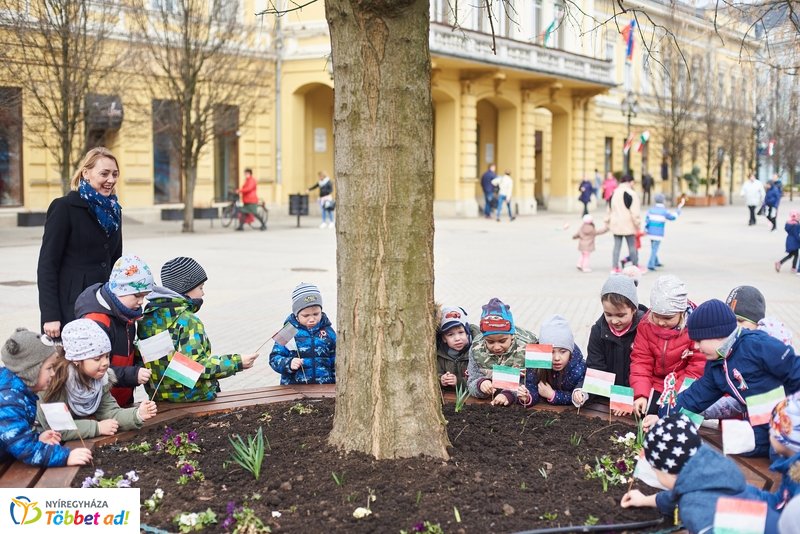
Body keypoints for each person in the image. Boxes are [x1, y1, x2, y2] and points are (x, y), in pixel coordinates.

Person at [650, 299, 800, 457]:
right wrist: (664, 417)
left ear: (718, 335)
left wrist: (792, 412)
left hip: (788, 421)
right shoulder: (717, 365)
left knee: (780, 455)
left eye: (699, 341)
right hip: (759, 423)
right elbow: (695, 396)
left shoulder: (757, 345)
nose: (696, 347)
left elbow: (794, 369)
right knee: (732, 445)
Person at [621, 413, 779, 534]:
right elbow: (677, 494)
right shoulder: (711, 471)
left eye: (655, 470)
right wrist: (645, 500)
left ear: (667, 471)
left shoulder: (695, 510)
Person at [138, 257, 259, 401]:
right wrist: (237, 362)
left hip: (159, 398)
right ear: (185, 287)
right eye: (200, 287)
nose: (203, 293)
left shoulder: (147, 317)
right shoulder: (187, 321)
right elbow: (195, 367)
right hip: (192, 397)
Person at [37, 147, 123, 339]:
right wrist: (50, 315)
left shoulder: (115, 211)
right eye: (104, 173)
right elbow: (47, 265)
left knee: (100, 366)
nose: (111, 180)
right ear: (86, 173)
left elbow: (116, 262)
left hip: (105, 305)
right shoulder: (64, 207)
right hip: (71, 308)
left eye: (115, 174)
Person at [37, 319, 158, 441]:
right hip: (40, 439)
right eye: (97, 358)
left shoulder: (99, 380)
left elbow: (110, 412)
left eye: (106, 356)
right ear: (77, 360)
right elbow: (59, 428)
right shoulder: (56, 383)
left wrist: (137, 415)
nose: (105, 363)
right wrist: (97, 428)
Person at [1, 328, 92, 466]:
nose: (53, 373)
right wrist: (65, 456)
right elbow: (22, 446)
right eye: (49, 368)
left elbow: (15, 436)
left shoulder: (17, 391)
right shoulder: (8, 400)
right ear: (31, 371)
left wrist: (36, 439)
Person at [74, 255, 154, 407]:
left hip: (121, 397)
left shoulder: (127, 312)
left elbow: (125, 351)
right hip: (101, 404)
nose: (141, 301)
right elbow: (93, 368)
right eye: (137, 295)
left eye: (144, 296)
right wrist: (132, 374)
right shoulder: (97, 321)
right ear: (119, 290)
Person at [629, 275, 703, 416]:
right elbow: (641, 361)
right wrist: (640, 394)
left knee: (672, 416)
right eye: (657, 316)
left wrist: (672, 393)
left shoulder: (694, 329)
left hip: (682, 385)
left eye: (668, 318)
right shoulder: (646, 326)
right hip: (655, 383)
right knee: (644, 414)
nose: (661, 323)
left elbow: (696, 368)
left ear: (681, 312)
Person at [573, 275, 644, 413]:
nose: (614, 320)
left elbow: (644, 369)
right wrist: (584, 391)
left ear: (634, 309)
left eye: (621, 315)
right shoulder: (598, 331)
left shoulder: (644, 329)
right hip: (607, 398)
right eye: (609, 314)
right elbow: (596, 367)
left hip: (636, 399)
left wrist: (629, 397)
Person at [466, 298, 537, 405]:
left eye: (502, 341)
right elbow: (471, 381)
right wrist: (480, 385)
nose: (497, 347)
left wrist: (509, 394)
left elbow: (530, 384)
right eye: (490, 342)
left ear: (512, 336)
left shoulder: (527, 349)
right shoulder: (476, 350)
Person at [269, 283, 336, 385]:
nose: (312, 319)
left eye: (316, 314)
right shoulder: (287, 331)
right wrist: (288, 363)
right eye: (306, 315)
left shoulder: (328, 331)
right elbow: (274, 358)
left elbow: (337, 359)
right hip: (294, 389)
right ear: (296, 315)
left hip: (324, 389)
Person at [517, 315, 586, 407]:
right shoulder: (536, 363)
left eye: (563, 352)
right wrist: (527, 397)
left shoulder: (578, 368)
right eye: (551, 352)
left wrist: (553, 395)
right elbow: (531, 386)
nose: (557, 358)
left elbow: (579, 395)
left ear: (570, 351)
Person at [765, 392, 800, 510]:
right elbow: (780, 501)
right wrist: (746, 493)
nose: (769, 432)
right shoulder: (792, 466)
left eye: (773, 429)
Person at [436, 306, 479, 391]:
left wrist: (459, 382)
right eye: (450, 335)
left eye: (461, 332)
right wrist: (441, 379)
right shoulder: (440, 353)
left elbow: (480, 378)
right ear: (444, 338)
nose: (457, 338)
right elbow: (435, 374)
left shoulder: (477, 351)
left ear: (467, 333)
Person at [606, 174, 642, 273]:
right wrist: (638, 224)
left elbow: (609, 209)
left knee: (617, 246)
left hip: (616, 224)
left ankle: (614, 267)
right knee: (632, 246)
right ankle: (635, 266)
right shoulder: (631, 193)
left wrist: (607, 221)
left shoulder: (614, 192)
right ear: (630, 182)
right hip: (628, 224)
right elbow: (635, 212)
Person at [644, 194, 684, 271]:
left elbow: (647, 221)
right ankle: (651, 264)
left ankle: (656, 262)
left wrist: (645, 230)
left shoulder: (651, 210)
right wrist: (679, 208)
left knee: (653, 247)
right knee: (655, 248)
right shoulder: (664, 211)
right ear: (663, 201)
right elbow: (673, 217)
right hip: (658, 233)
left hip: (650, 232)